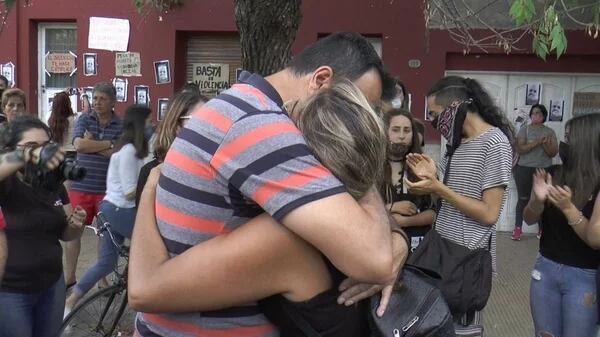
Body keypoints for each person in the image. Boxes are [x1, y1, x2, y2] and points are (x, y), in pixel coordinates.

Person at [129, 32, 406, 337]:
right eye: (355, 107)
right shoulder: (265, 131)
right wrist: (361, 166)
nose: (358, 123)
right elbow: (375, 259)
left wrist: (398, 241)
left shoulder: (242, 104)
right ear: (321, 80)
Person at [405, 76, 514, 334]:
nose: (433, 121)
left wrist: (439, 187)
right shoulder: (456, 144)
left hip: (468, 262)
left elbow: (489, 214)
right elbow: (446, 195)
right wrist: (431, 177)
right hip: (442, 252)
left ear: (454, 107)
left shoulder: (495, 143)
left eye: (434, 114)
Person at [0, 116, 86, 337]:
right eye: (31, 146)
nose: (41, 152)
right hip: (11, 291)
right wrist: (28, 154)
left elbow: (65, 233)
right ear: (10, 150)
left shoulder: (52, 182)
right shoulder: (6, 183)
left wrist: (75, 226)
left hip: (51, 284)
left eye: (46, 145)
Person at [65, 105, 149, 313]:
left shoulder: (125, 148)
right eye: (148, 122)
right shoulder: (129, 151)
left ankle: (71, 301)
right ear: (140, 125)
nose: (152, 125)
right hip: (122, 210)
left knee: (106, 264)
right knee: (154, 247)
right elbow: (131, 191)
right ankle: (146, 296)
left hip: (111, 210)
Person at [524, 113, 600, 337]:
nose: (563, 143)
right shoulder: (552, 174)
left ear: (587, 143)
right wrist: (538, 200)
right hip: (545, 270)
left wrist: (568, 208)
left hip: (583, 276)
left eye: (569, 137)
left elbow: (594, 240)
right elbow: (529, 218)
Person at [64, 82, 123, 291]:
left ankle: (102, 278)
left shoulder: (121, 124)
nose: (97, 102)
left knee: (105, 235)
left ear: (113, 102)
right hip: (81, 186)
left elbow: (118, 154)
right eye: (95, 98)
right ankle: (70, 276)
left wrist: (93, 144)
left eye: (102, 99)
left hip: (108, 190)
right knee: (74, 233)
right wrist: (108, 143)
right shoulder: (84, 119)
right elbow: (79, 145)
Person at [134, 90, 206, 206]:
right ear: (176, 124)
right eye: (198, 120)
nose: (208, 127)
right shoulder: (151, 173)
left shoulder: (218, 173)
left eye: (210, 120)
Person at [380, 109, 435, 252]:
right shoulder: (372, 167)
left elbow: (433, 213)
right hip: (380, 245)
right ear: (384, 131)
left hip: (417, 250)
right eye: (396, 130)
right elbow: (359, 210)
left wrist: (405, 221)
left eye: (407, 130)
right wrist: (391, 207)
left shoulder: (423, 166)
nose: (402, 136)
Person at [512, 104, 558, 241]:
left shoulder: (550, 132)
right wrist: (538, 142)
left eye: (538, 113)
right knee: (523, 199)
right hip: (524, 169)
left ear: (543, 116)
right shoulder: (524, 130)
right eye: (533, 113)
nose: (535, 115)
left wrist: (545, 144)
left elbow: (553, 153)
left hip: (543, 169)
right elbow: (521, 149)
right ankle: (517, 229)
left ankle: (542, 230)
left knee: (542, 200)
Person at [47, 91, 77, 160]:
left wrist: (62, 95)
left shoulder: (50, 120)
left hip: (56, 153)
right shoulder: (74, 119)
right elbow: (87, 111)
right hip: (72, 152)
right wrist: (83, 95)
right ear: (68, 104)